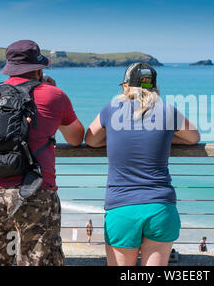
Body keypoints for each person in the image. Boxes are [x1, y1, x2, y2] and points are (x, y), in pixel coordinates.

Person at [0, 40, 85, 266]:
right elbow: (75, 138)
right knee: (40, 260)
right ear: (39, 69)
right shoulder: (54, 95)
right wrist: (53, 96)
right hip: (36, 190)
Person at [85, 62, 200, 266]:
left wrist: (113, 135)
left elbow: (91, 140)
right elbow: (193, 138)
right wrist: (165, 136)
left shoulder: (111, 109)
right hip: (160, 207)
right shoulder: (168, 111)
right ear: (155, 88)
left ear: (126, 87)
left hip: (122, 207)